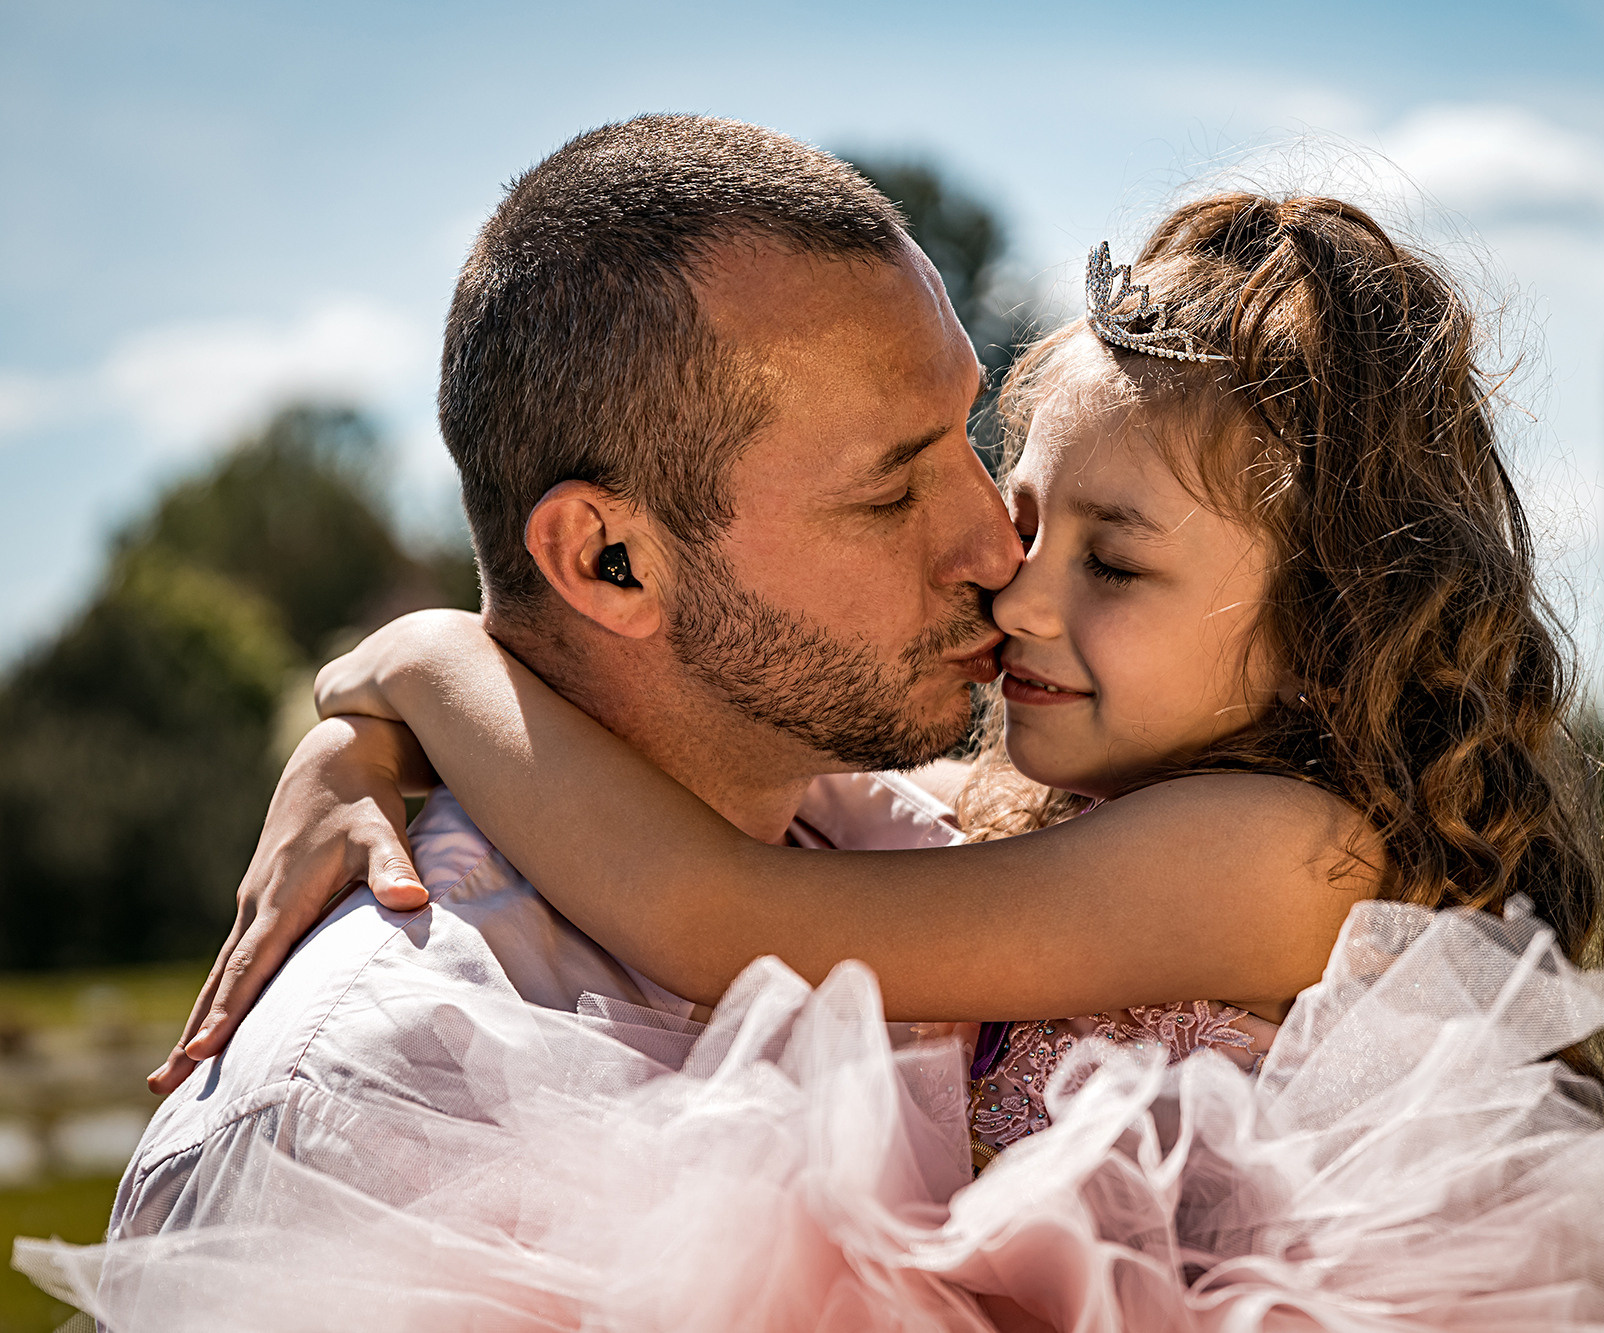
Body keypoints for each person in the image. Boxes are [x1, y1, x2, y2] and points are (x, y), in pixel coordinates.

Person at [21, 189, 1604, 1330]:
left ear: (1333, 616)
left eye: (1115, 558)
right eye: (1024, 510)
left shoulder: (1283, 853)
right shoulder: (1033, 807)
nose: (1014, 583)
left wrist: (424, 658)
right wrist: (351, 731)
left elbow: (720, 913)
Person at [100, 111, 1033, 1241]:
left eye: (967, 433)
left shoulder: (924, 847)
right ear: (608, 561)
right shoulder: (372, 1121)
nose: (998, 547)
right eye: (889, 492)